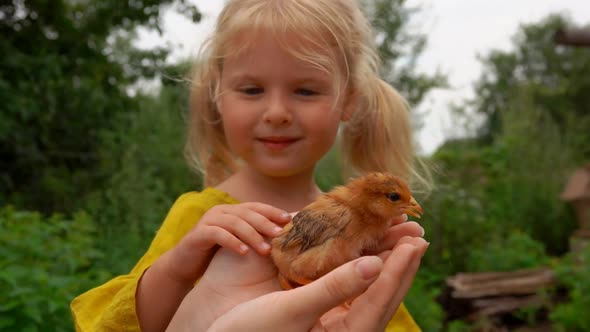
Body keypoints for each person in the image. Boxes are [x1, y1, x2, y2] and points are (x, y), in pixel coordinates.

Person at [70, 0, 431, 331]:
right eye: (252, 90)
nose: (276, 114)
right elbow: (121, 324)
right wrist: (179, 266)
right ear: (218, 96)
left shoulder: (368, 231)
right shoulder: (202, 219)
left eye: (305, 91)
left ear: (348, 101)